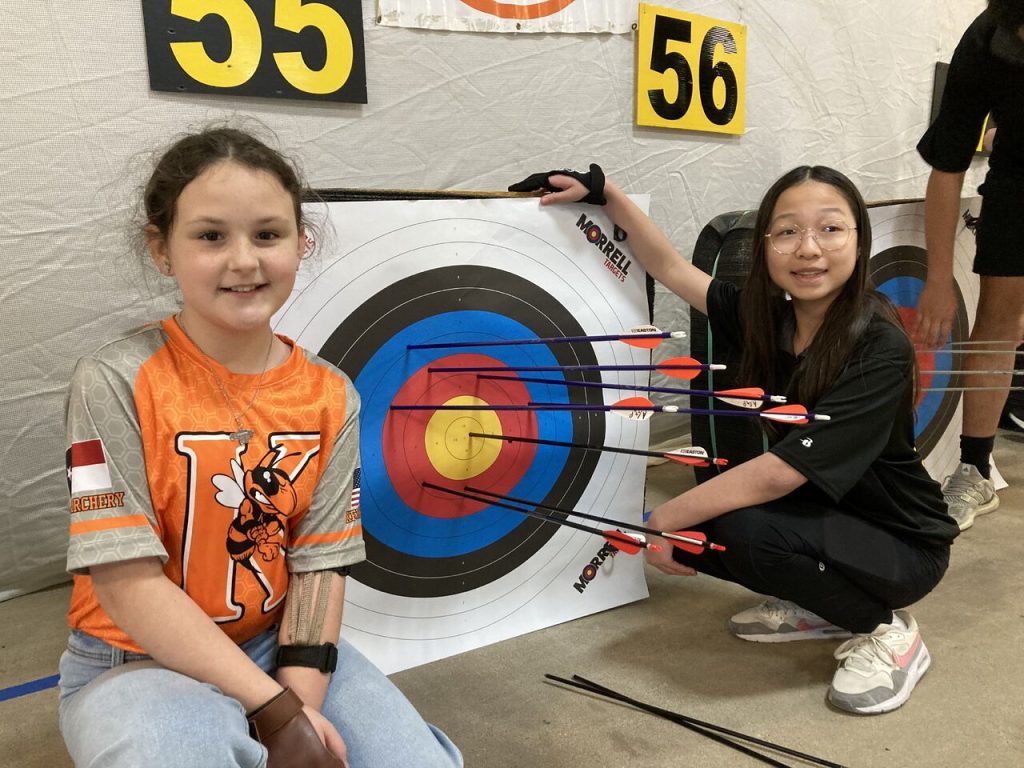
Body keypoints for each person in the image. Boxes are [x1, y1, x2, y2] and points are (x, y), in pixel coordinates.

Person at [59, 126, 463, 768]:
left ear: (302, 243)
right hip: (134, 660)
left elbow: (319, 565)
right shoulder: (113, 380)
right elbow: (125, 579)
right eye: (210, 236)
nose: (244, 260)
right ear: (161, 249)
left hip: (275, 650)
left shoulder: (332, 394)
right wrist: (275, 714)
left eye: (268, 235)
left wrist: (298, 702)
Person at [509, 164, 959, 715]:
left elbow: (780, 472)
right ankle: (822, 603)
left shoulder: (880, 346)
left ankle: (888, 630)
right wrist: (606, 193)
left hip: (902, 543)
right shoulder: (769, 316)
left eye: (831, 229)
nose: (809, 248)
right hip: (830, 515)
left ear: (859, 240)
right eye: (788, 231)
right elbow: (672, 268)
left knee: (739, 529)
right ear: (766, 246)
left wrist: (663, 518)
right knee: (714, 527)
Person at [915, 0, 1024, 530]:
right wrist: (938, 280)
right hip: (1019, 180)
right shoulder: (986, 39)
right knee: (998, 324)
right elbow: (948, 164)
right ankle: (975, 469)